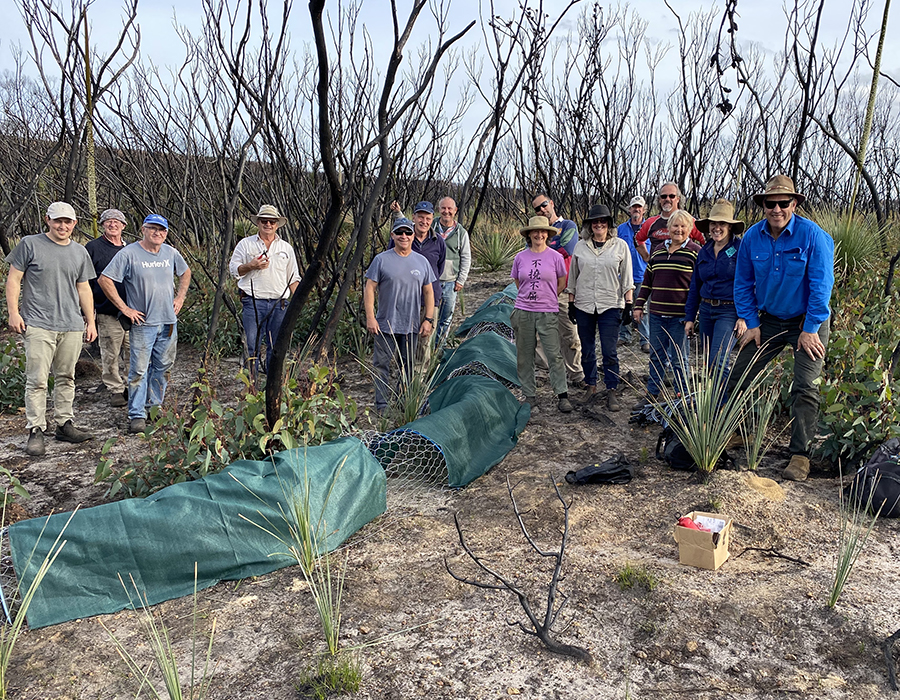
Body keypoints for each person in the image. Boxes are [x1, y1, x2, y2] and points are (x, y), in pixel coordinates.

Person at [727, 175, 834, 481]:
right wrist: (752, 321)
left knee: (805, 385)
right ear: (763, 206)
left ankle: (800, 454)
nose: (776, 209)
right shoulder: (751, 238)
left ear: (794, 203)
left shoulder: (813, 236)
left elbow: (821, 287)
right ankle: (736, 430)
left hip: (807, 320)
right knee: (740, 372)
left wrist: (811, 327)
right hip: (770, 319)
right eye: (770, 203)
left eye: (783, 203)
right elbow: (743, 283)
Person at [5, 202, 97, 456]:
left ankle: (64, 424)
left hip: (71, 325)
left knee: (67, 376)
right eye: (58, 221)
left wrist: (89, 321)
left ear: (74, 224)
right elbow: (14, 279)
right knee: (37, 380)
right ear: (47, 220)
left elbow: (83, 288)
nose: (62, 226)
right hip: (38, 323)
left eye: (68, 222)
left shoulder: (79, 252)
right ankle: (35, 429)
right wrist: (13, 312)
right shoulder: (30, 244)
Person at [98, 214, 191, 434]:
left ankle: (154, 406)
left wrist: (180, 297)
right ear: (143, 229)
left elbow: (185, 272)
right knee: (138, 370)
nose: (157, 233)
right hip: (142, 324)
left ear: (166, 233)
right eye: (153, 228)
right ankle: (137, 414)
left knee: (163, 367)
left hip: (168, 322)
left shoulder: (171, 253)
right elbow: (105, 279)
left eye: (162, 230)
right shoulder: (129, 253)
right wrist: (124, 308)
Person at [364, 217, 436, 414]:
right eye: (400, 233)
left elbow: (429, 292)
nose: (404, 236)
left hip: (411, 325)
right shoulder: (381, 260)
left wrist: (428, 319)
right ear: (393, 235)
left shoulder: (421, 262)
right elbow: (369, 288)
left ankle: (403, 401)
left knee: (408, 367)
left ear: (413, 235)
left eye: (408, 233)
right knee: (381, 366)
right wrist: (370, 317)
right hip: (384, 324)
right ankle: (382, 405)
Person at [566, 205, 633, 412]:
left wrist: (629, 304)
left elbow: (627, 277)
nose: (599, 224)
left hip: (610, 304)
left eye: (603, 221)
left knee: (609, 350)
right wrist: (571, 302)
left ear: (609, 224)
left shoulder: (620, 246)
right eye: (595, 221)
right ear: (589, 225)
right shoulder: (580, 246)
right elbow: (573, 277)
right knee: (586, 349)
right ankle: (591, 386)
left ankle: (612, 389)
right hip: (584, 304)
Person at [633, 209, 701, 405]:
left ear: (689, 229)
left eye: (683, 226)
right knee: (656, 355)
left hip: (680, 316)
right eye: (675, 226)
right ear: (668, 228)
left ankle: (682, 397)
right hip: (656, 314)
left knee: (680, 359)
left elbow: (698, 286)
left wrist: (692, 316)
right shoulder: (659, 251)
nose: (678, 230)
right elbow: (647, 281)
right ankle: (653, 393)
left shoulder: (695, 252)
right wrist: (639, 306)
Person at [509, 216, 573, 414]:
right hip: (524, 311)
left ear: (548, 234)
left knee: (554, 354)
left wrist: (550, 297)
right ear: (529, 234)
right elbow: (519, 282)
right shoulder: (520, 257)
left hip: (548, 312)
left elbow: (561, 282)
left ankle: (562, 394)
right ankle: (530, 395)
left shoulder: (555, 257)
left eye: (542, 231)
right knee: (524, 355)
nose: (539, 235)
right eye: (535, 231)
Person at [229, 204, 301, 377]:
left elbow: (293, 278)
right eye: (264, 221)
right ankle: (250, 387)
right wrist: (251, 266)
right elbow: (233, 269)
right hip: (252, 302)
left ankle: (272, 387)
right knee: (251, 345)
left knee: (275, 347)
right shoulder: (245, 244)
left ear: (277, 224)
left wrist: (298, 305)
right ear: (258, 222)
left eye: (272, 221)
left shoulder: (286, 248)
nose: (268, 224)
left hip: (279, 304)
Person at [684, 199, 744, 374]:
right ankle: (714, 400)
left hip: (729, 310)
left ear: (730, 226)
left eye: (722, 223)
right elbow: (695, 286)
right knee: (709, 362)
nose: (717, 228)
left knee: (719, 361)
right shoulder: (704, 251)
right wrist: (689, 317)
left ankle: (724, 401)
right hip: (706, 310)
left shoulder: (740, 248)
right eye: (713, 223)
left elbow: (750, 283)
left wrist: (744, 316)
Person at [531, 193, 583, 385]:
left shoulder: (568, 226)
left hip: (562, 290)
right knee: (540, 333)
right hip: (540, 290)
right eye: (537, 208)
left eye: (543, 205)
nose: (541, 209)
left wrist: (544, 251)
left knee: (569, 333)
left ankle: (576, 374)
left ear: (551, 203)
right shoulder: (536, 231)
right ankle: (543, 373)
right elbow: (531, 255)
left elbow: (568, 249)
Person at [86, 208, 130, 407]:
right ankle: (115, 389)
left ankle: (132, 386)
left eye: (117, 222)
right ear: (102, 224)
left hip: (133, 312)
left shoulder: (131, 249)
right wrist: (89, 311)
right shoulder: (93, 248)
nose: (113, 225)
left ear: (123, 226)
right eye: (108, 221)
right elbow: (85, 281)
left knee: (133, 351)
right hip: (106, 310)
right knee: (110, 351)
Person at [433, 197, 471, 344]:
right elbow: (411, 228)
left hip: (450, 282)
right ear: (439, 209)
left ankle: (439, 350)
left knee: (445, 318)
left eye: (450, 209)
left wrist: (460, 280)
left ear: (455, 211)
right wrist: (398, 213)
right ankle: (425, 352)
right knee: (429, 317)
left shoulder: (461, 233)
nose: (446, 211)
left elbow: (466, 257)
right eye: (443, 208)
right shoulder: (431, 226)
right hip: (431, 282)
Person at [634, 182, 705, 261]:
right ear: (659, 200)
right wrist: (647, 257)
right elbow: (637, 239)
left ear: (678, 199)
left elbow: (708, 241)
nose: (667, 199)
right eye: (664, 196)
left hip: (684, 270)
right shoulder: (650, 222)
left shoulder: (689, 221)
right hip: (657, 270)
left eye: (672, 196)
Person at [617, 196, 651, 352]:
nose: (636, 210)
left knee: (642, 308)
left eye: (639, 207)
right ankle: (624, 336)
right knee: (624, 306)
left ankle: (645, 339)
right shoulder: (621, 229)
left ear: (644, 210)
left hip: (643, 275)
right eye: (633, 207)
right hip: (623, 276)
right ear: (629, 210)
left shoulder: (651, 228)